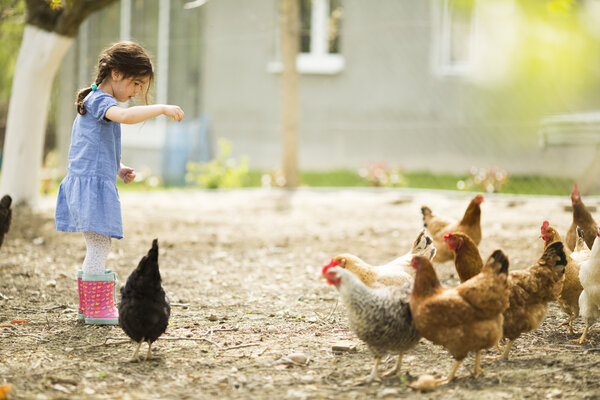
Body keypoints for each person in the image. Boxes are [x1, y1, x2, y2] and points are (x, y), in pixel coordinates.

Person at [55, 41, 184, 325]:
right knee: (99, 246)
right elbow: (125, 118)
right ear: (115, 73)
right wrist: (160, 108)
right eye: (135, 83)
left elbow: (93, 147)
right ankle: (96, 309)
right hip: (89, 188)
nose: (136, 91)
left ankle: (90, 306)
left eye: (141, 86)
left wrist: (118, 167)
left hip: (92, 184)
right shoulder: (100, 100)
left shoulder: (97, 100)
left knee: (99, 245)